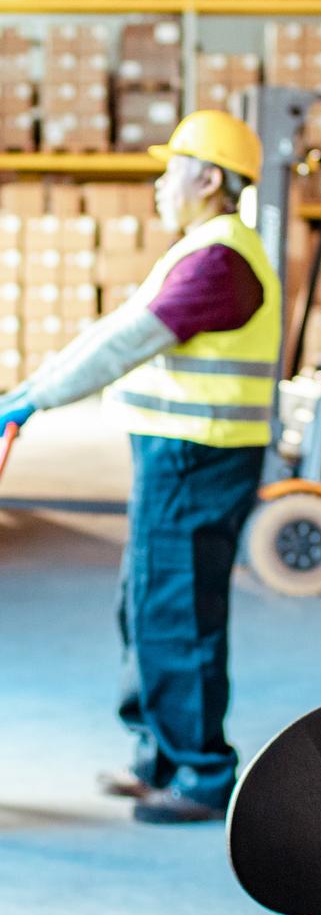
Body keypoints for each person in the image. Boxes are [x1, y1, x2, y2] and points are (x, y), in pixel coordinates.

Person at [0, 111, 281, 822]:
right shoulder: (200, 250)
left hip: (199, 456)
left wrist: (33, 400)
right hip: (179, 455)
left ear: (209, 178)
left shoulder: (220, 260)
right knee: (145, 604)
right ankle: (157, 756)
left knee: (174, 613)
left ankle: (200, 774)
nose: (159, 183)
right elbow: (111, 333)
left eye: (171, 167)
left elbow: (126, 343)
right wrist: (28, 390)